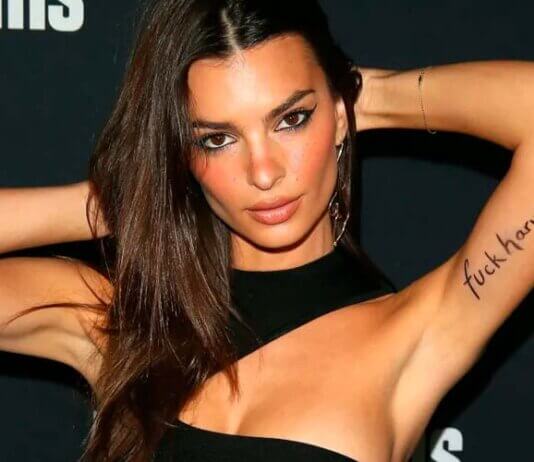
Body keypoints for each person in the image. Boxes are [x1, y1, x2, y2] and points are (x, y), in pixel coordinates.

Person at [0, 0, 533, 461]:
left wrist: (372, 97)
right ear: (183, 153)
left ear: (339, 114)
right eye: (217, 139)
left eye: (291, 119)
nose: (263, 172)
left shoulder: (415, 332)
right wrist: (131, 200)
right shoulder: (127, 322)